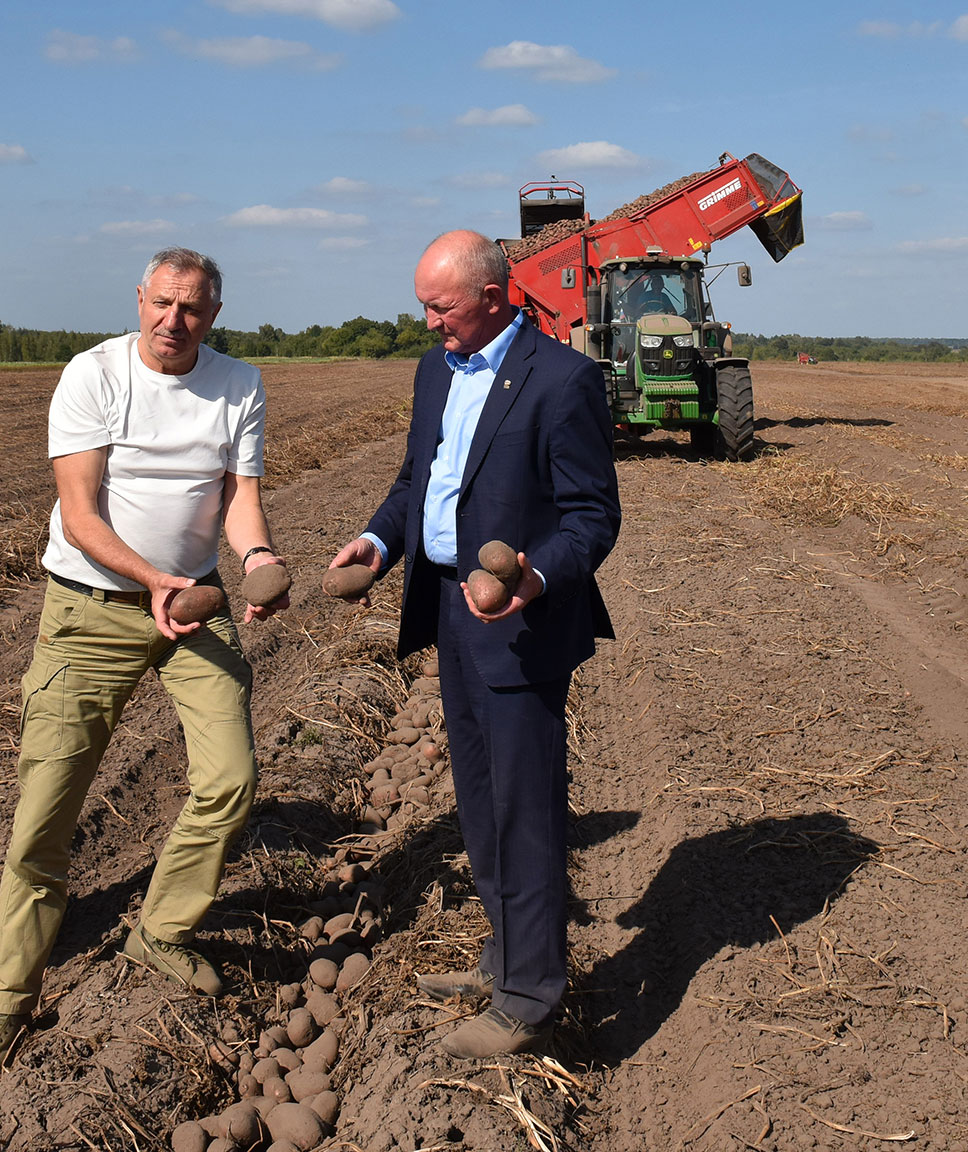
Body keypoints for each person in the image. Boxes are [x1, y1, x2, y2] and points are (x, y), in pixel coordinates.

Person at [0, 247, 288, 1090]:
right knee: (45, 814)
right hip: (92, 611)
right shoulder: (94, 374)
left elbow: (240, 497)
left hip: (194, 606)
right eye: (163, 303)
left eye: (193, 309)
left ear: (214, 315)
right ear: (140, 299)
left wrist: (256, 558)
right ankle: (9, 1001)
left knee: (231, 778)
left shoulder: (239, 383)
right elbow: (80, 512)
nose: (175, 321)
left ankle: (161, 931)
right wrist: (154, 581)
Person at [329, 231, 620, 1057]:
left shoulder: (561, 379)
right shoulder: (435, 372)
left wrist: (535, 577)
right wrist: (378, 543)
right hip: (451, 612)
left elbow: (593, 516)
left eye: (441, 306)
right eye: (424, 305)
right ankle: (505, 956)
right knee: (481, 799)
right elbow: (417, 485)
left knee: (525, 807)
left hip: (521, 623)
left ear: (493, 297)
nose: (428, 321)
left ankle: (531, 995)